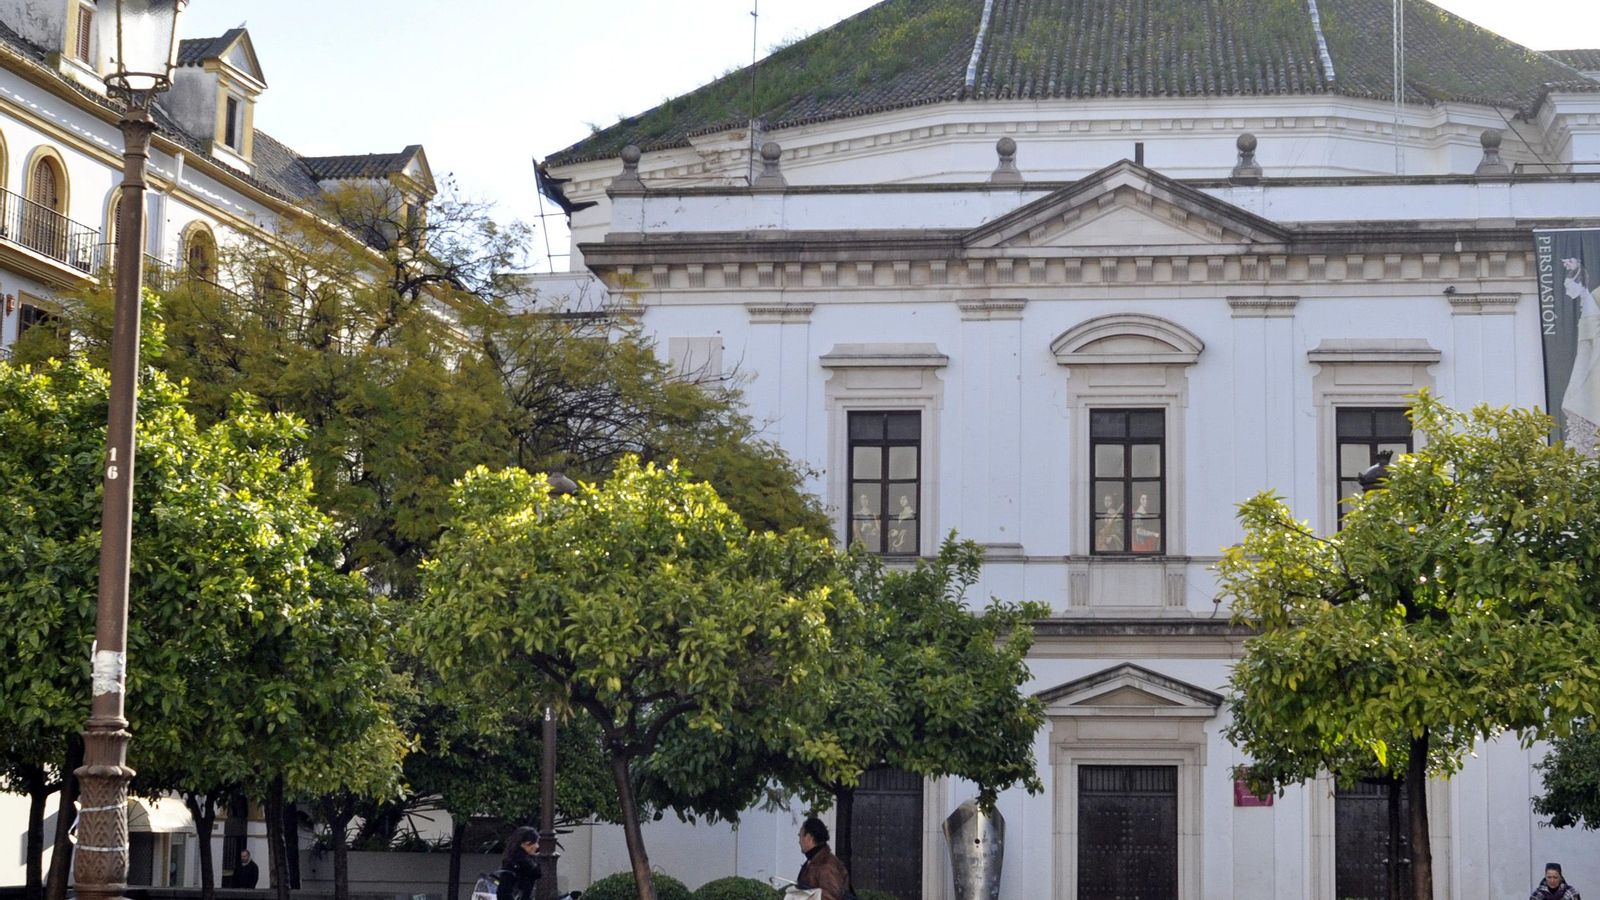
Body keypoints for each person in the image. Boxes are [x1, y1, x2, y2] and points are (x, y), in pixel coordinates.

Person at [1560, 257, 1600, 455]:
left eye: (1569, 286)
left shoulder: (1593, 301)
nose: (1566, 291)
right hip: (1586, 361)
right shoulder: (1591, 300)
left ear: (1579, 283)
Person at [796, 817, 851, 900]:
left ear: (808, 837)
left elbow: (831, 897)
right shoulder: (816, 861)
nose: (799, 841)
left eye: (800, 836)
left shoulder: (826, 865)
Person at [495, 826, 541, 900]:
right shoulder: (524, 863)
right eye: (535, 843)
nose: (537, 846)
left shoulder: (511, 860)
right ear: (524, 844)